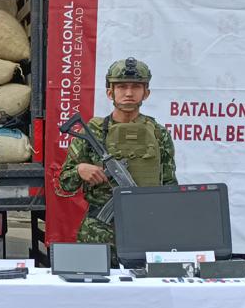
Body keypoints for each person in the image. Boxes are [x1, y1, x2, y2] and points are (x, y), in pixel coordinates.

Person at [56, 57, 178, 247]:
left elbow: (170, 185)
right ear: (109, 92)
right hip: (98, 232)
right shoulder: (93, 131)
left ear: (146, 93)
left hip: (145, 229)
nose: (128, 93)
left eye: (136, 87)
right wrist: (80, 170)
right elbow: (63, 183)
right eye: (121, 87)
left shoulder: (158, 133)